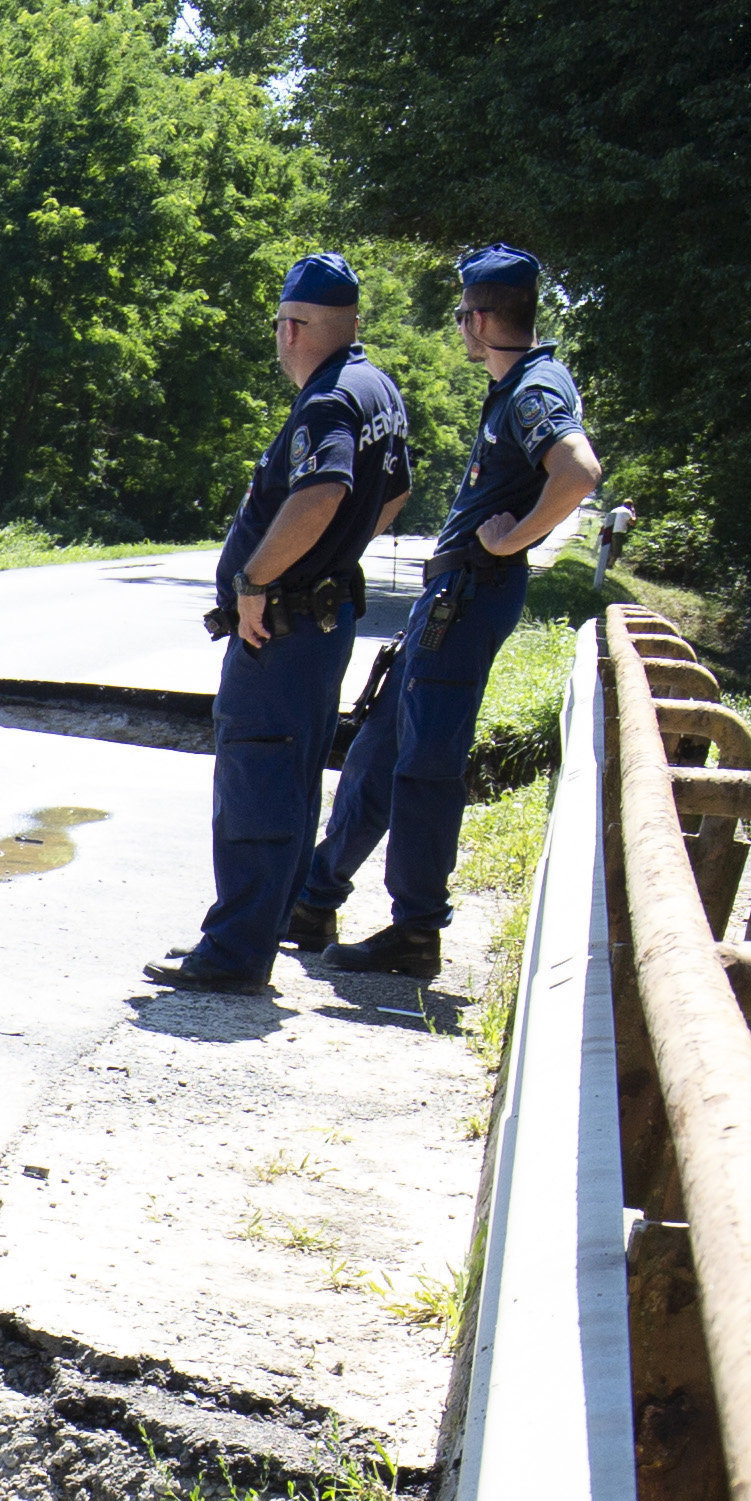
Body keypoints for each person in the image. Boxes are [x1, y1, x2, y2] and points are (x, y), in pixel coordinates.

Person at [296, 245, 605, 979]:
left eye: (463, 313)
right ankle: (312, 898)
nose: (460, 325)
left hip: (468, 596)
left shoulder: (533, 388)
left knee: (425, 766)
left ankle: (414, 932)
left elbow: (579, 471)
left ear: (483, 316)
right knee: (378, 751)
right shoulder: (516, 387)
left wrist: (515, 537)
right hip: (448, 599)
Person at [157, 255, 410, 997]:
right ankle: (260, 931)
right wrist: (332, 557)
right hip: (323, 620)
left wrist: (259, 581)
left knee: (257, 783)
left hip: (284, 627)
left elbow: (324, 490)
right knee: (292, 784)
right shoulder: (377, 389)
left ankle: (234, 954)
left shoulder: (328, 402)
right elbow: (392, 492)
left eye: (280, 326)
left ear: (293, 326)